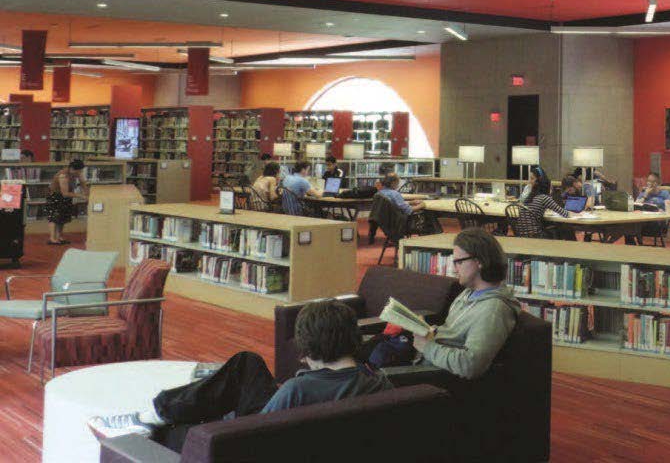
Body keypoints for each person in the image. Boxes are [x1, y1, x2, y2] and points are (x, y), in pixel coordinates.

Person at [86, 299, 391, 444]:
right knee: (247, 363)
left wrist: (223, 418)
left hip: (249, 441)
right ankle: (159, 412)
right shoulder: (377, 380)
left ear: (307, 348)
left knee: (176, 426)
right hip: (309, 429)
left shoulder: (298, 390)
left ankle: (150, 420)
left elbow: (253, 434)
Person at [407, 229, 520, 379]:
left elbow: (470, 365)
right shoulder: (469, 292)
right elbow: (453, 335)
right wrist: (429, 332)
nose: (455, 268)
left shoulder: (493, 310)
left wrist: (427, 347)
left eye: (459, 262)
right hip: (423, 361)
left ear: (479, 261)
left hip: (430, 378)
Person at [46, 159, 87, 245]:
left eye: (81, 171)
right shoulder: (63, 175)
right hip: (55, 196)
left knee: (63, 217)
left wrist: (88, 193)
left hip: (67, 195)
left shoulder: (77, 173)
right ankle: (52, 238)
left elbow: (83, 183)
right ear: (72, 168)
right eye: (78, 171)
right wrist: (81, 196)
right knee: (54, 216)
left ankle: (59, 237)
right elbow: (65, 193)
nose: (79, 173)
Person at [520, 173, 569, 238]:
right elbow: (564, 213)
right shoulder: (544, 198)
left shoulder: (529, 197)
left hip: (520, 234)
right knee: (561, 231)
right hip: (535, 235)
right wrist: (577, 214)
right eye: (551, 187)